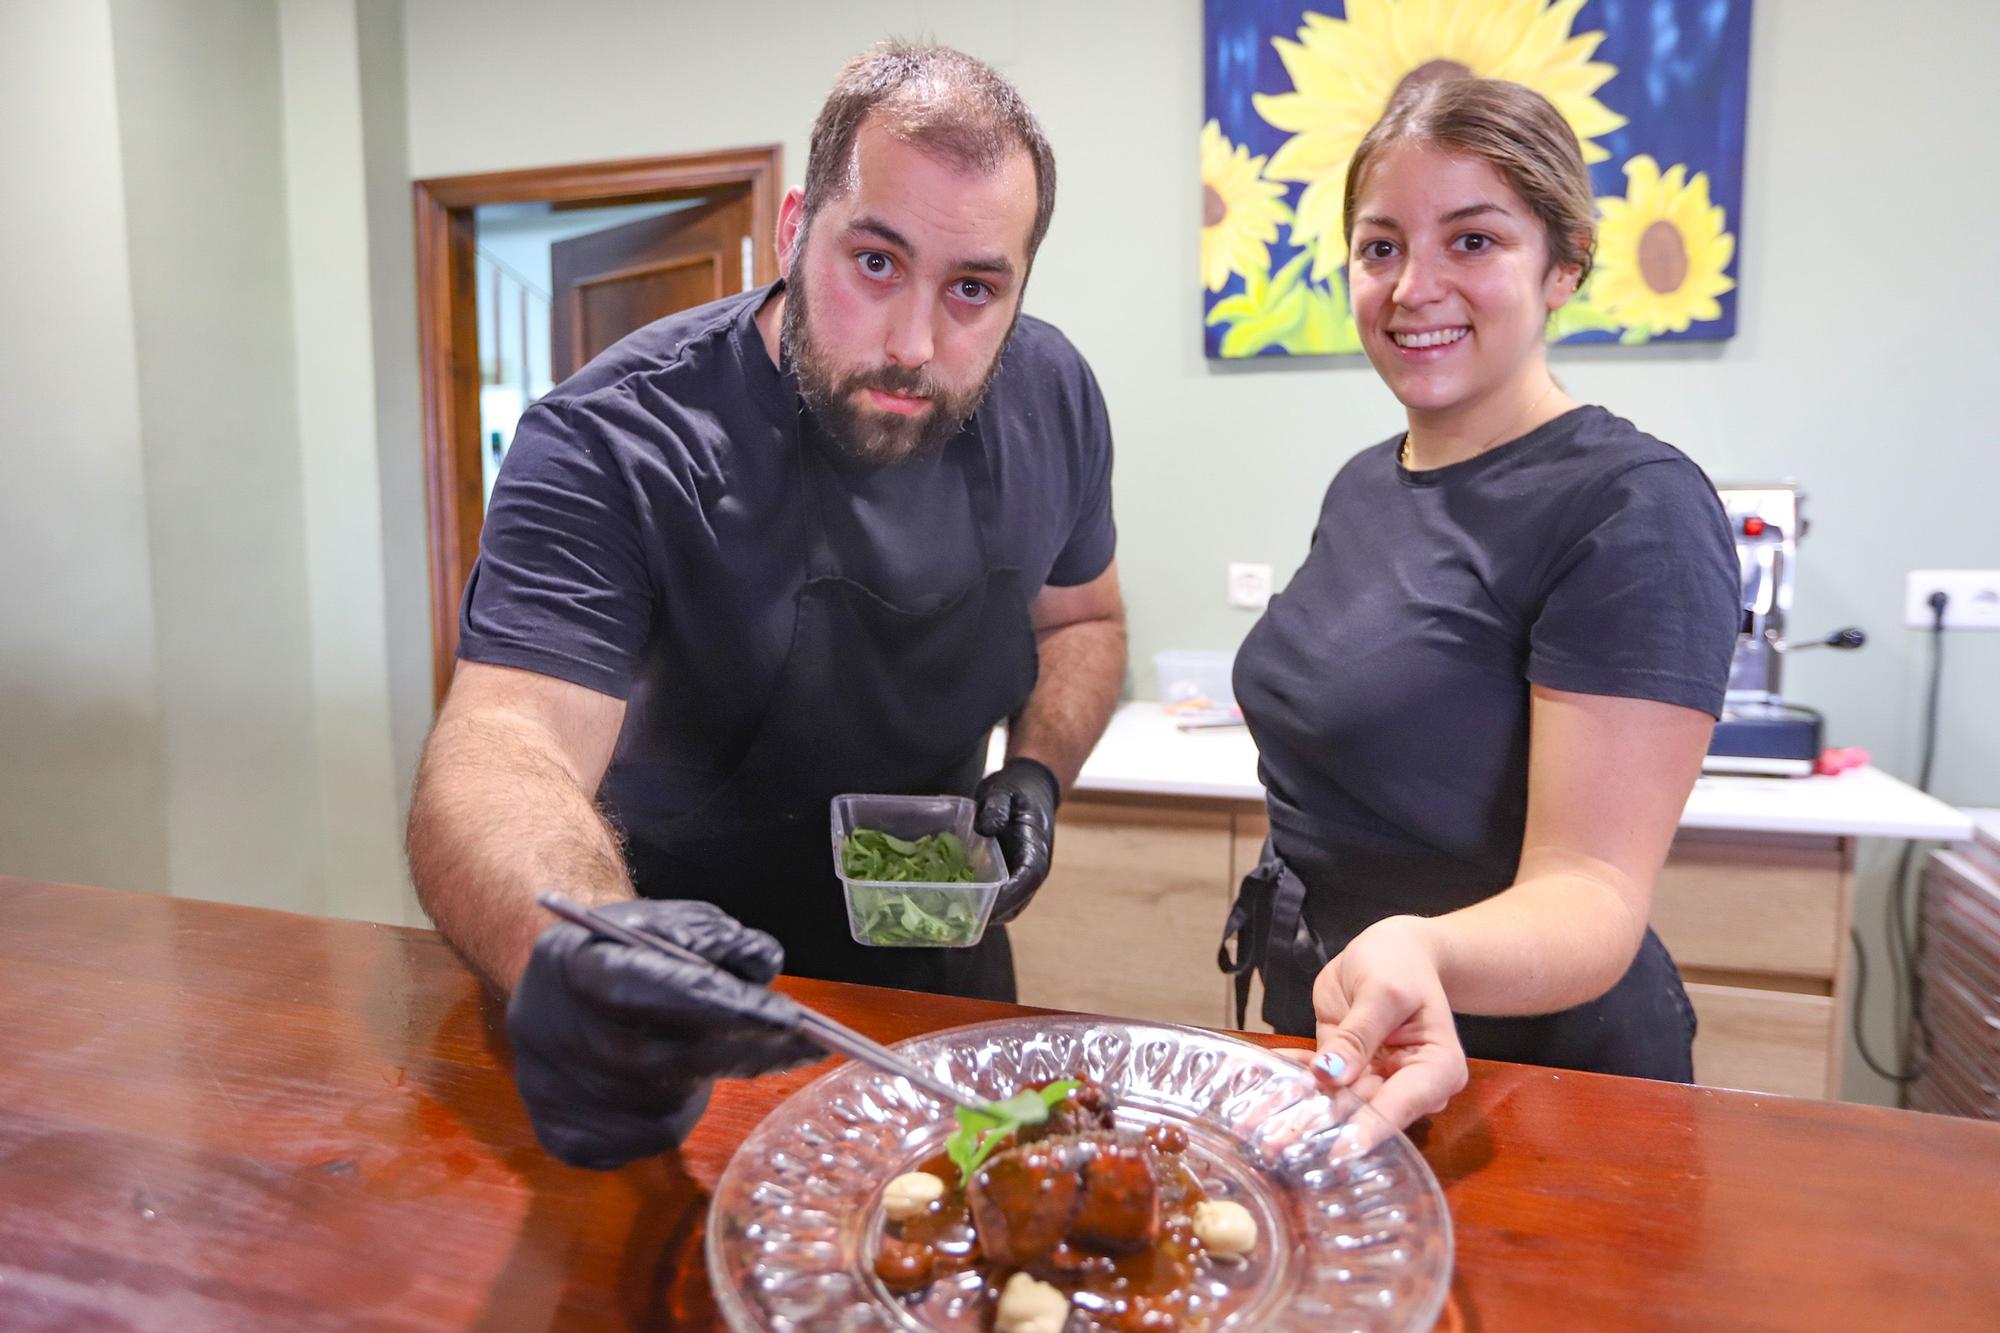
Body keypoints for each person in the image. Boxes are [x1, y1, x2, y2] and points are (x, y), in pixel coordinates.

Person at [406, 42, 1126, 1168]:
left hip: (940, 986)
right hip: (677, 1010)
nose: (914, 344)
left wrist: (1035, 768)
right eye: (874, 262)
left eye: (973, 289)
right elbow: (503, 741)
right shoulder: (610, 441)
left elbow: (1081, 620)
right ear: (794, 227)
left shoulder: (1054, 397)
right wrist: (579, 949)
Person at [1220, 77, 1740, 1132]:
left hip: (1532, 1080)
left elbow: (1592, 893)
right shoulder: (1368, 479)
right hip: (1342, 1026)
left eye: (1471, 241)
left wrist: (1422, 949)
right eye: (1379, 247)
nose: (1412, 286)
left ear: (1563, 265)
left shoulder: (1632, 507)